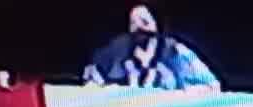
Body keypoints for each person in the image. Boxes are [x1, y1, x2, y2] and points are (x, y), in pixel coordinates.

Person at [82, 5, 220, 91]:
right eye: (133, 23)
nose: (138, 27)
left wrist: (192, 91)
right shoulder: (117, 51)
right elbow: (91, 78)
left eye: (144, 22)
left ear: (157, 25)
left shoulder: (176, 51)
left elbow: (213, 85)